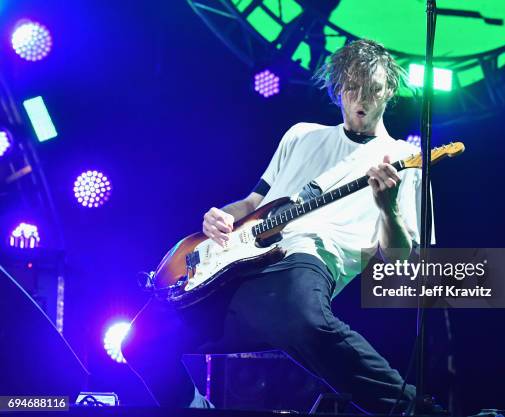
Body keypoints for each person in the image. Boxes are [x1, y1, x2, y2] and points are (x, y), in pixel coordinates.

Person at [122, 39, 427, 414]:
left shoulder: (403, 160)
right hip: (236, 259)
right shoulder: (301, 135)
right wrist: (220, 217)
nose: (362, 101)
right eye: (352, 88)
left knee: (304, 322)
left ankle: (415, 410)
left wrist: (389, 209)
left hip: (304, 259)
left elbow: (400, 259)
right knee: (141, 341)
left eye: (374, 89)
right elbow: (253, 204)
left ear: (390, 90)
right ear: (336, 89)